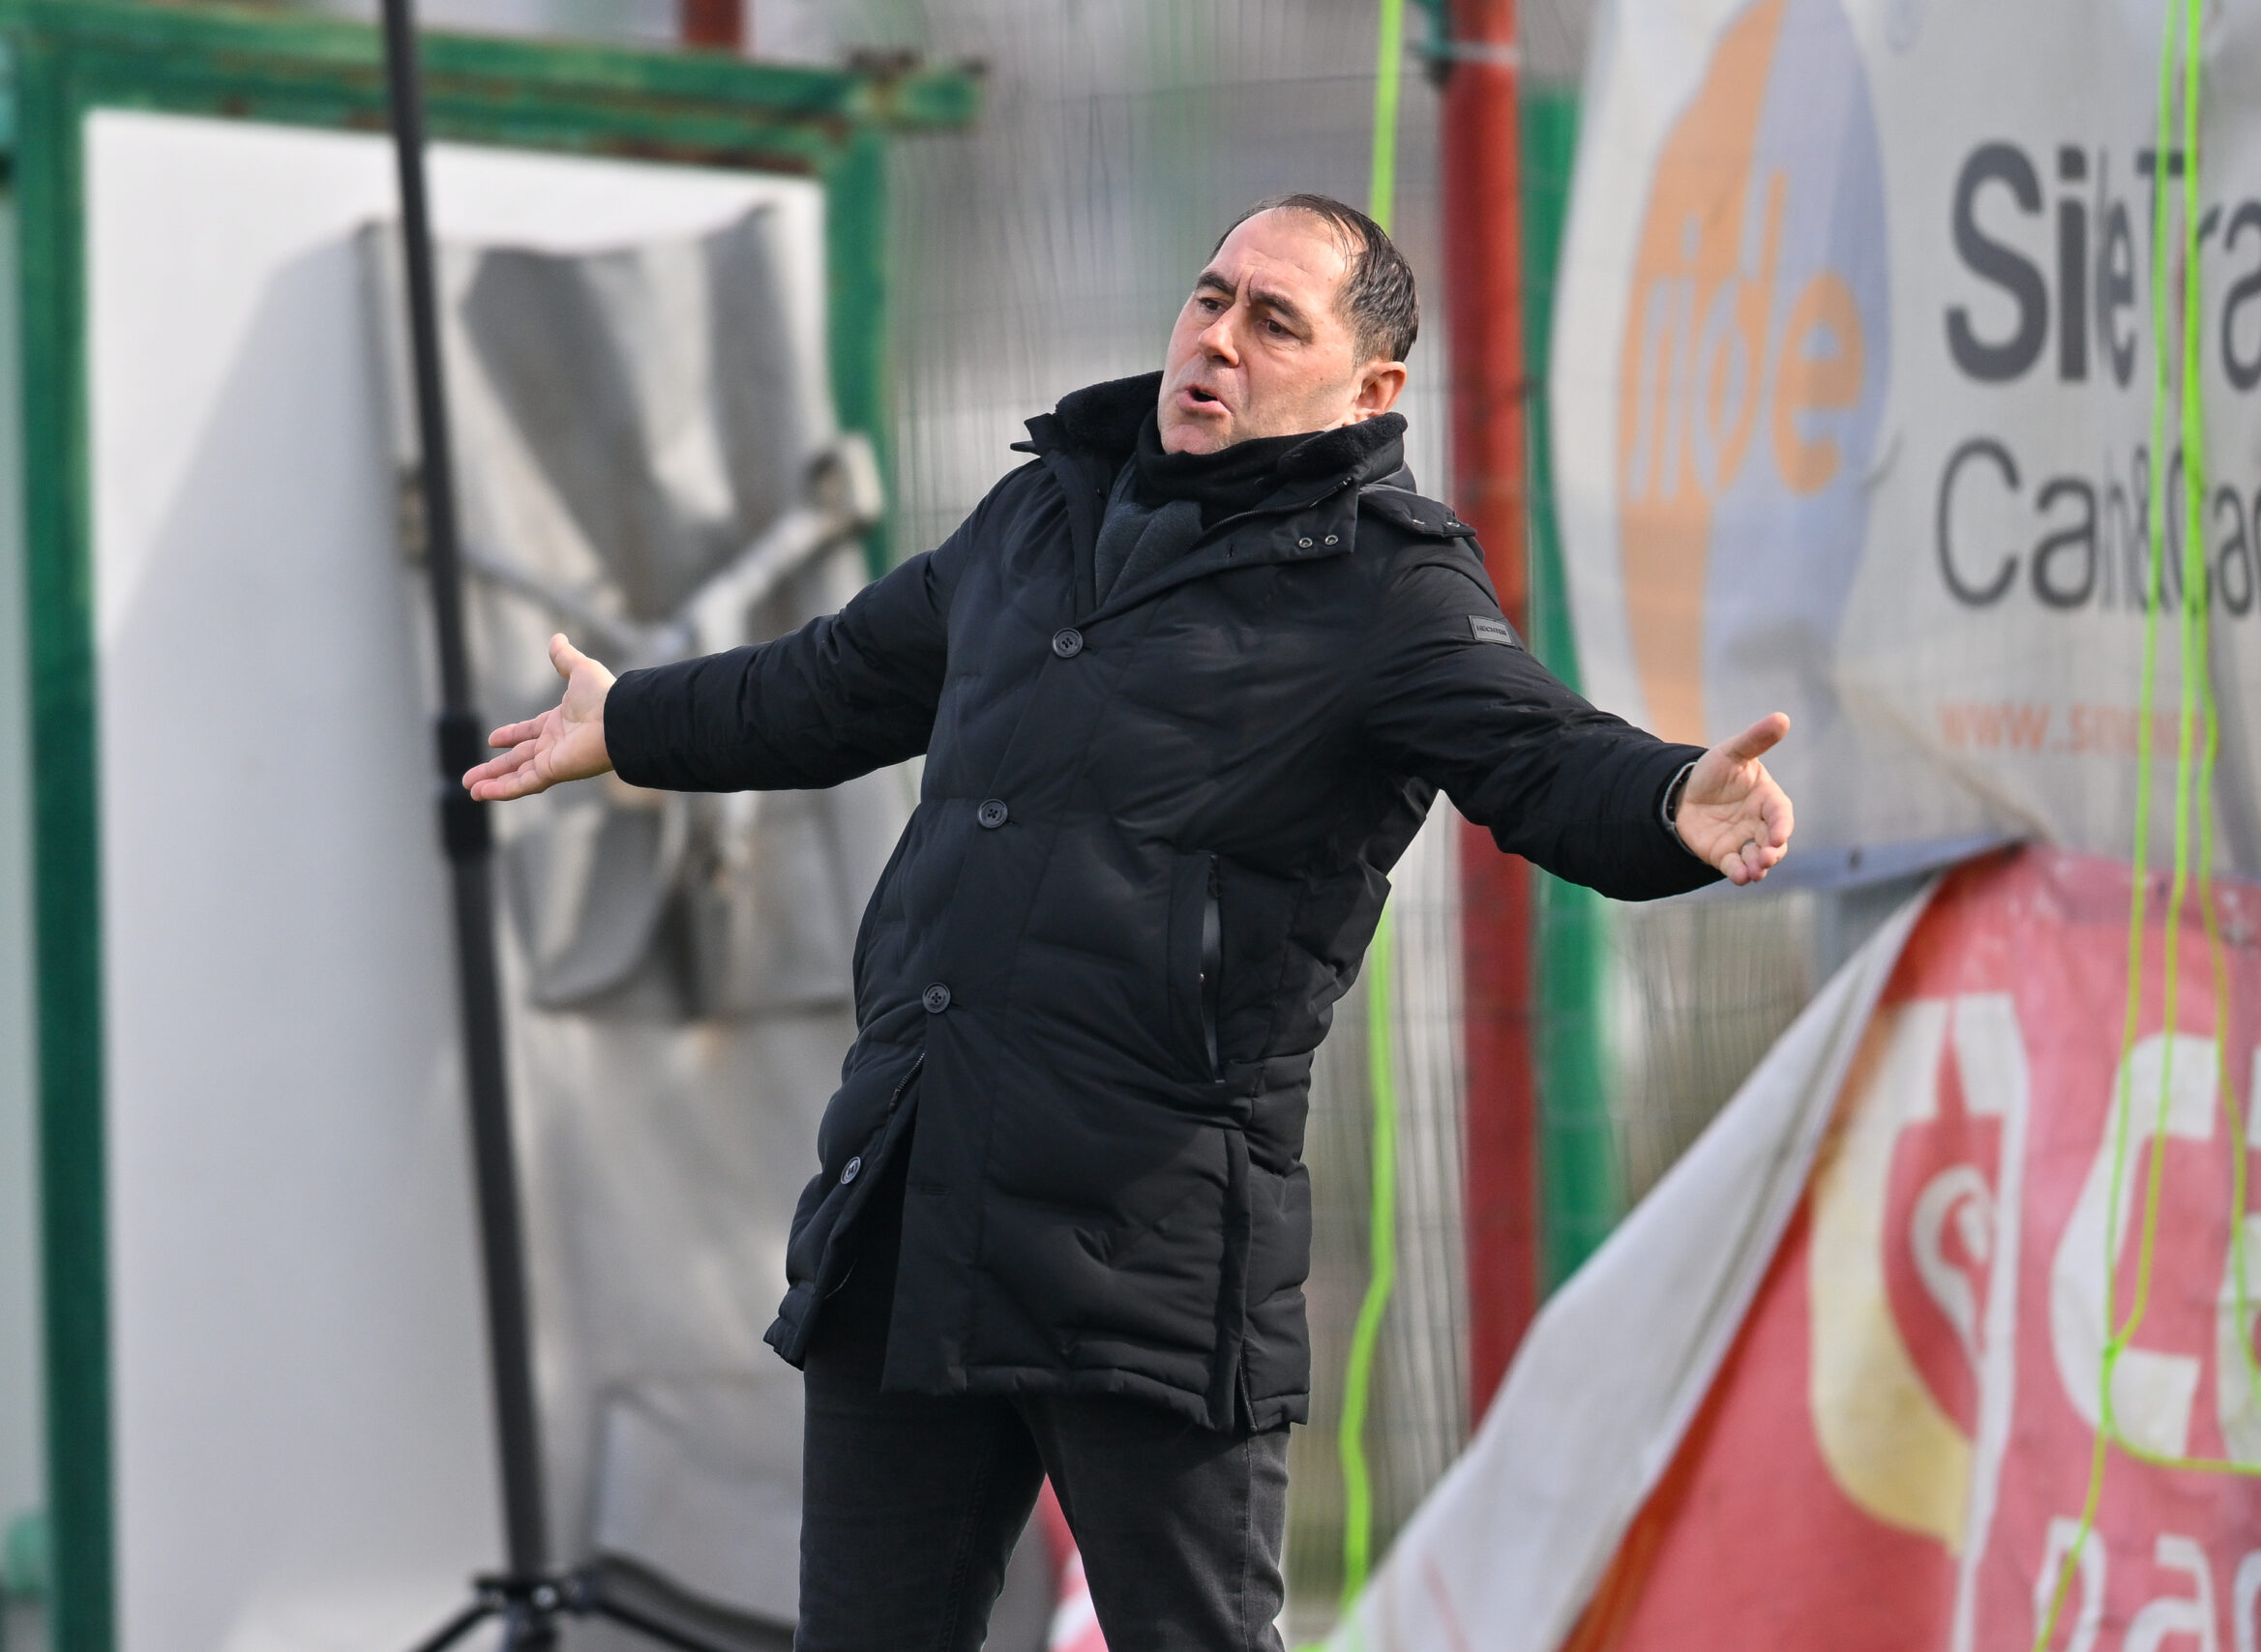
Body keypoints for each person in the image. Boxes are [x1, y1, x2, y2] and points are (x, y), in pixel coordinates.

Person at [463, 192, 1794, 1652]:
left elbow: (1542, 757)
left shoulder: (1392, 591)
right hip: (912, 1203)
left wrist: (1670, 801)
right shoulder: (1045, 511)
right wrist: (632, 721)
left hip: (1147, 1247)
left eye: (1274, 321)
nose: (1217, 338)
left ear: (1371, 390)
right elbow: (835, 682)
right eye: (1211, 296)